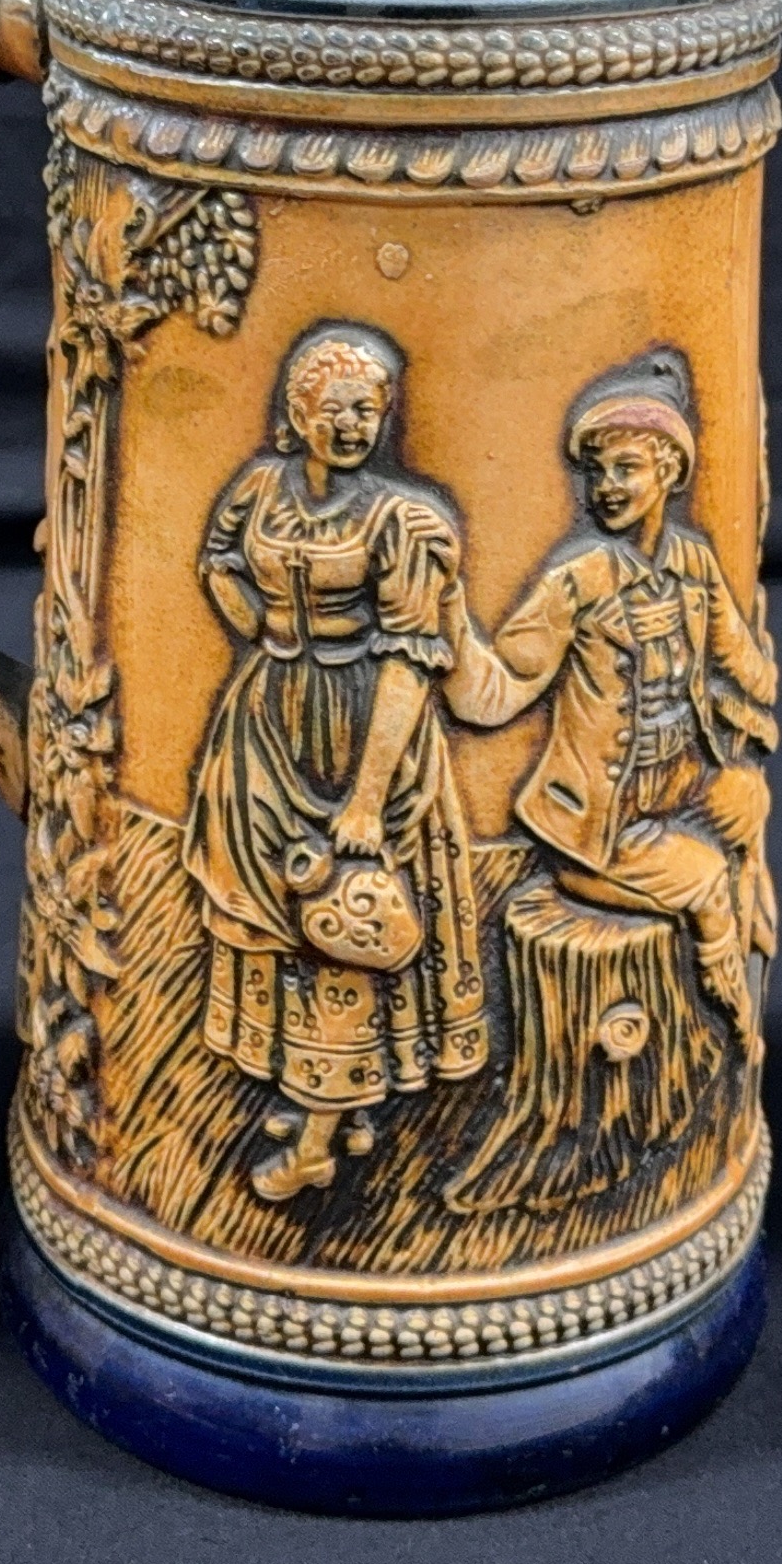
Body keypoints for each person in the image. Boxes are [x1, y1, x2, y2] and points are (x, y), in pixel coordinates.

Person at [183, 325, 490, 1203]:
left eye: (369, 411)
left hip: (365, 729)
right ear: (298, 412)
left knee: (350, 913)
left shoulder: (402, 519)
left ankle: (318, 1141)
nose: (354, 425)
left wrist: (365, 797)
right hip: (266, 725)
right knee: (277, 916)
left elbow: (409, 661)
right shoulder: (259, 488)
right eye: (337, 409)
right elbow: (218, 558)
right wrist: (258, 625)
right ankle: (315, 1093)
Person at [443, 352, 778, 1051]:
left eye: (626, 468)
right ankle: (729, 1033)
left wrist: (756, 701)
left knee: (747, 804)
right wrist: (445, 615)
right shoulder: (580, 579)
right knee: (707, 879)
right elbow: (491, 696)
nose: (605, 488)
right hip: (600, 820)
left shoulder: (692, 565)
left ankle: (747, 972)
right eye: (597, 472)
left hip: (675, 787)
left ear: (669, 473)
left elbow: (742, 664)